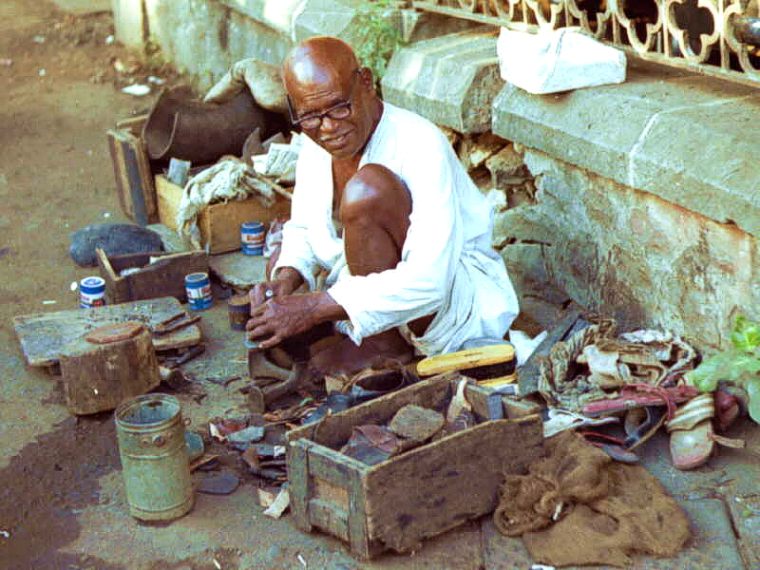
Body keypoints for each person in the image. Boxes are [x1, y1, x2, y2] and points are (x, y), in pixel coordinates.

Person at [246, 36, 519, 376]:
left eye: (339, 108)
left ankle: (388, 348)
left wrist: (314, 307)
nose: (329, 127)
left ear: (366, 83)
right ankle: (360, 332)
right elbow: (304, 227)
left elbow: (430, 282)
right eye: (311, 116)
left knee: (367, 191)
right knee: (277, 259)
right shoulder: (317, 140)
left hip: (448, 302)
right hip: (369, 282)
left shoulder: (419, 143)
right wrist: (285, 279)